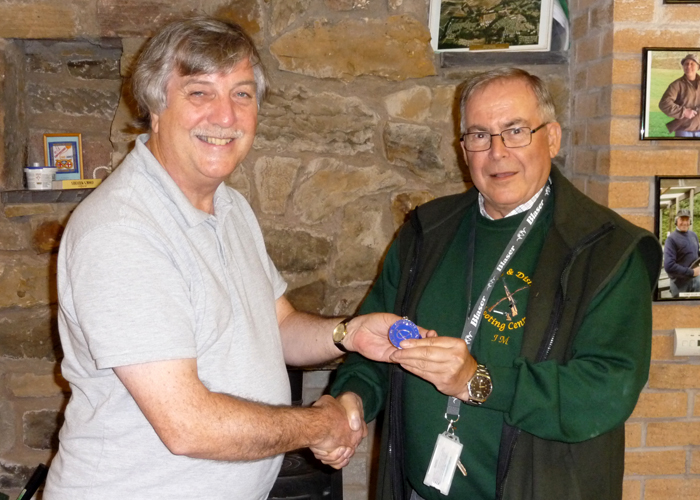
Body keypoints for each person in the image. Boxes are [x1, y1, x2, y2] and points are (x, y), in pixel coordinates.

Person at [44, 17, 415, 499]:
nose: (225, 117)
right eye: (200, 93)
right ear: (155, 105)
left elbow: (277, 325)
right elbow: (188, 425)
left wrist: (350, 333)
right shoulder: (122, 229)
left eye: (241, 94)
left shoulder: (230, 206)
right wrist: (317, 425)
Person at [328, 68, 662, 500]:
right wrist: (349, 400)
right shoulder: (427, 231)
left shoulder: (607, 251)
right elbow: (375, 339)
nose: (497, 152)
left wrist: (478, 380)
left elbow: (604, 392)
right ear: (463, 149)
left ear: (553, 138)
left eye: (516, 131)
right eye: (479, 135)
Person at [659, 53, 700, 137]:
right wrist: (684, 112)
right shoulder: (676, 85)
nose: (688, 66)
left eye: (692, 64)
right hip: (684, 131)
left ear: (698, 67)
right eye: (686, 64)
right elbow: (664, 104)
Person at [664, 208, 700, 297]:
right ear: (676, 221)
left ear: (690, 221)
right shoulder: (671, 239)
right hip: (680, 284)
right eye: (681, 219)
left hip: (696, 282)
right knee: (680, 309)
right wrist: (691, 272)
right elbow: (669, 266)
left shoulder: (693, 235)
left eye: (687, 219)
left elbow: (696, 254)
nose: (684, 223)